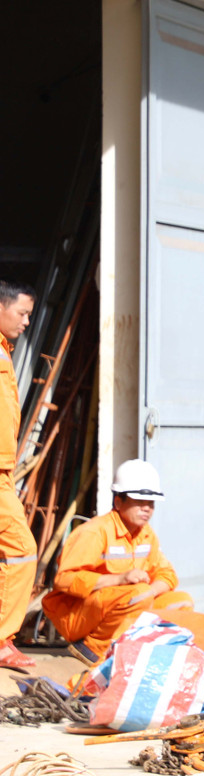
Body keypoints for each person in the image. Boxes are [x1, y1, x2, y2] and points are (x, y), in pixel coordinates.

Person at [42, 460, 194, 665]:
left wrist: (150, 593)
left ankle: (150, 654)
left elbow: (167, 574)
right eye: (139, 501)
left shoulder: (146, 534)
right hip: (75, 615)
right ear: (118, 502)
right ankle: (92, 648)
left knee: (182, 601)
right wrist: (120, 579)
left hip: (125, 604)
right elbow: (64, 579)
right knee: (138, 593)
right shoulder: (95, 532)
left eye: (151, 503)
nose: (147, 509)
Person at [0, 280, 37, 670]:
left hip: (4, 469)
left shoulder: (4, 351)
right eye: (22, 313)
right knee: (22, 550)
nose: (27, 321)